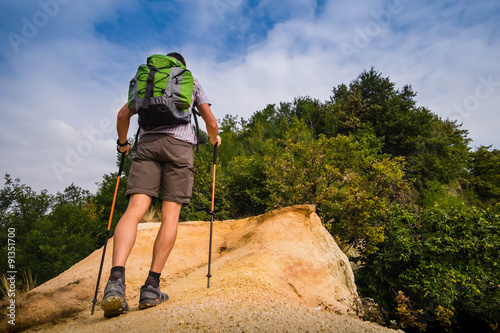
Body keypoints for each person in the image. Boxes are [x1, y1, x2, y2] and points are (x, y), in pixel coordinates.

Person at [100, 52, 221, 318]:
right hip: (179, 148)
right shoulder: (192, 81)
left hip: (147, 146)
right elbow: (211, 122)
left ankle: (115, 284)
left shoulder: (147, 81)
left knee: (135, 209)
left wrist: (123, 145)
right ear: (182, 69)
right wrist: (214, 140)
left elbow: (123, 115)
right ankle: (151, 288)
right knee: (170, 215)